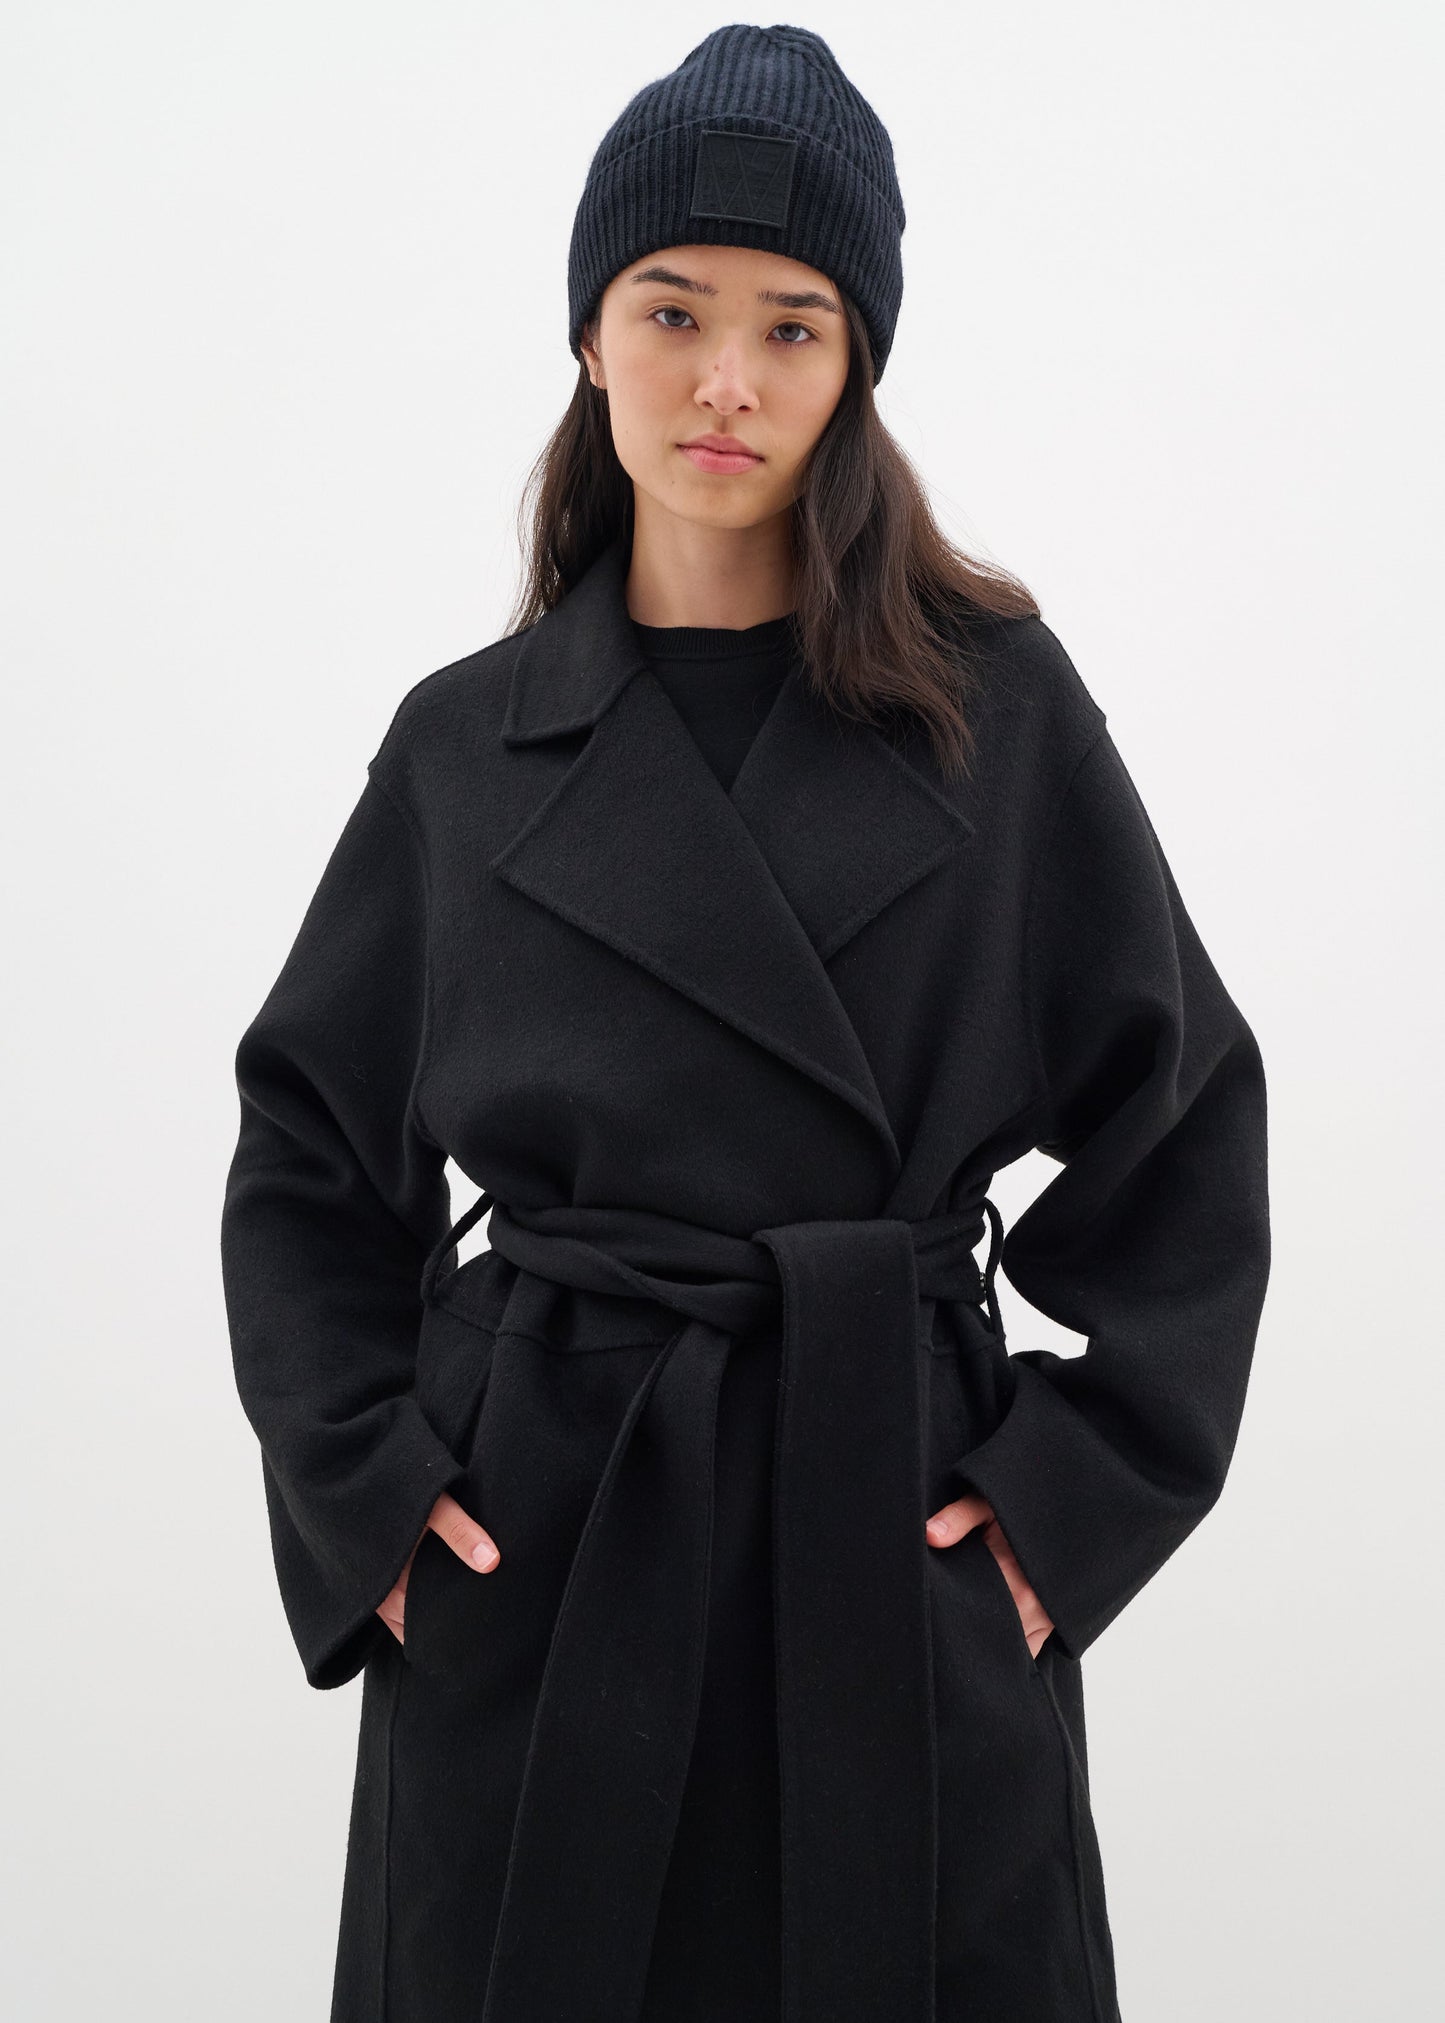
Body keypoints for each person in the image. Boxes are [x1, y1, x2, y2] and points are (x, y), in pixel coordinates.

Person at [219, 24, 1271, 2023]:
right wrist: (369, 1495)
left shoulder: (997, 714)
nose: (726, 379)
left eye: (793, 327)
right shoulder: (462, 749)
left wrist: (1062, 1507)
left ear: (856, 364)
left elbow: (1187, 1120)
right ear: (590, 337)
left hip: (886, 1542)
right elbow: (306, 1152)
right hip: (542, 1560)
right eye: (673, 309)